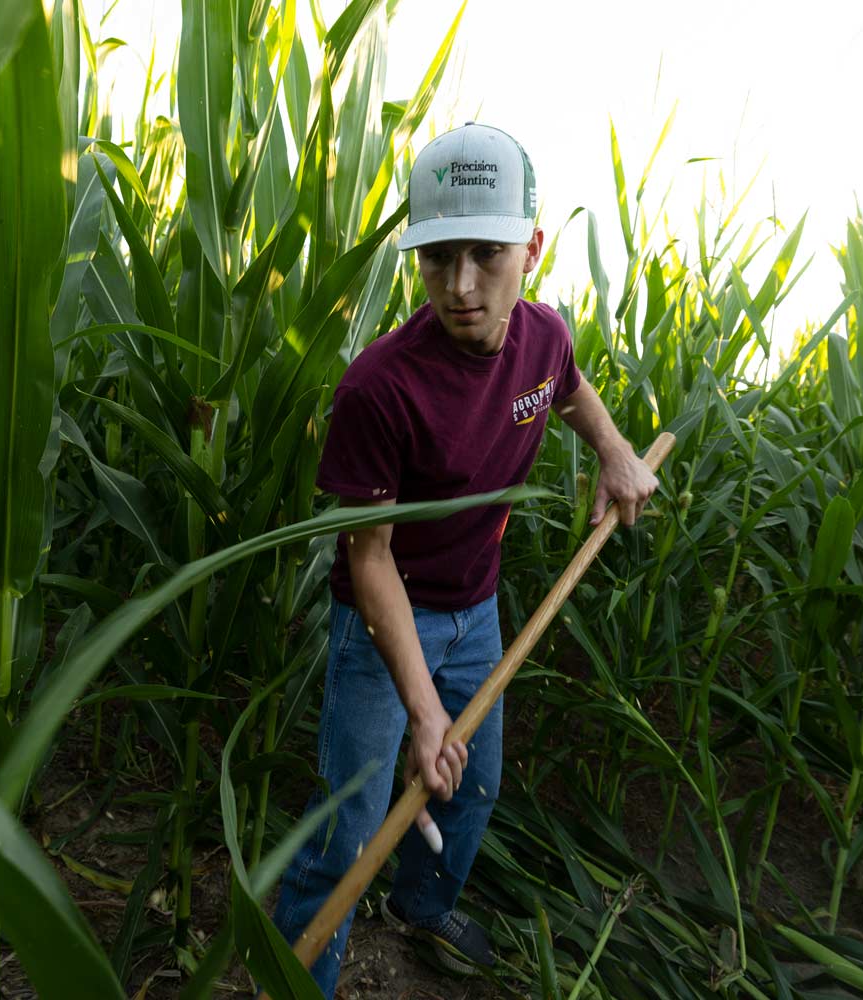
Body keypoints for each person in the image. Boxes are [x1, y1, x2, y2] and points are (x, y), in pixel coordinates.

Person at [272, 122, 659, 998]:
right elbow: (368, 561)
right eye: (439, 257)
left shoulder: (542, 339)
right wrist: (420, 709)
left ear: (534, 247)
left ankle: (421, 904)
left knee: (472, 788)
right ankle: (303, 979)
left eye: (487, 255)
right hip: (384, 629)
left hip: (477, 616)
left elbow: (564, 390)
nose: (462, 286)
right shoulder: (380, 388)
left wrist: (613, 450)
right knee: (352, 826)